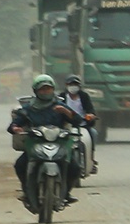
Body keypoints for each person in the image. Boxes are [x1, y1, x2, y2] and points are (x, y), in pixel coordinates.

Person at [8, 74, 85, 210]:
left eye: (48, 89)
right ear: (36, 91)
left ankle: (66, 193)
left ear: (53, 89)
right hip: (35, 145)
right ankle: (26, 192)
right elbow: (14, 124)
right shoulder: (29, 108)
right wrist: (16, 128)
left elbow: (78, 121)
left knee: (75, 168)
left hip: (59, 144)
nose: (45, 92)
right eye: (42, 89)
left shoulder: (60, 106)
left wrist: (66, 112)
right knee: (20, 165)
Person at [61, 75, 99, 176]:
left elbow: (90, 110)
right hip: (67, 126)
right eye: (71, 84)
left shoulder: (84, 96)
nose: (73, 86)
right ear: (66, 85)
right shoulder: (62, 96)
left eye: (75, 84)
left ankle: (91, 159)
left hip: (82, 125)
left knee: (93, 134)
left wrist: (91, 115)